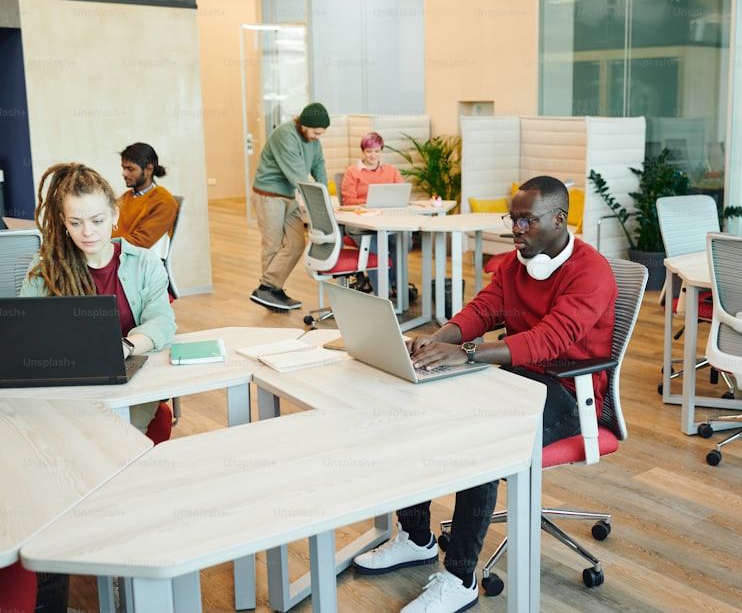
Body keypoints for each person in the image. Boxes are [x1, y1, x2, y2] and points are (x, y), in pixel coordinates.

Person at [352, 176, 617, 613]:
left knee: (478, 438)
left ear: (558, 219)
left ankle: (459, 578)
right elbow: (482, 311)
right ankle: (416, 537)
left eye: (526, 221)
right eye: (513, 220)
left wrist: (467, 353)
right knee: (415, 405)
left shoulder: (591, 272)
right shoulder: (517, 264)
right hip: (513, 378)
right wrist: (439, 340)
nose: (516, 229)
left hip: (570, 393)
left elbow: (548, 341)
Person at [20, 163, 177, 431]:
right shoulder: (45, 268)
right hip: (68, 386)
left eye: (97, 220)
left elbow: (162, 321)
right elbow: (25, 330)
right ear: (63, 221)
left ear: (114, 215)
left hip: (130, 383)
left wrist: (124, 347)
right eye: (75, 222)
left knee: (110, 437)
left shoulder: (144, 263)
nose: (88, 232)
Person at [250, 102, 330, 310]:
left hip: (288, 196)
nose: (317, 136)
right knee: (273, 244)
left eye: (321, 134)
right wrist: (317, 203)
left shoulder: (313, 140)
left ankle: (268, 288)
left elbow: (318, 165)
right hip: (269, 196)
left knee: (297, 244)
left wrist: (326, 197)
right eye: (315, 132)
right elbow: (297, 175)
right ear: (303, 124)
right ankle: (269, 292)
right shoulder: (285, 135)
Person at [340, 131, 407, 295]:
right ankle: (382, 292)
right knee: (375, 244)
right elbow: (348, 201)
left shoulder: (391, 171)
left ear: (381, 151)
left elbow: (401, 195)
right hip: (359, 223)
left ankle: (391, 283)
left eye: (377, 151)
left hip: (387, 221)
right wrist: (369, 205)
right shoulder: (352, 172)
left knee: (404, 241)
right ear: (363, 151)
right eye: (369, 151)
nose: (373, 155)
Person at [116, 142, 179, 260]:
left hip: (138, 263)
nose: (124, 174)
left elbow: (140, 242)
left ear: (149, 169)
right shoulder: (126, 197)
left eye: (130, 169)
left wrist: (105, 248)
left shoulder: (163, 202)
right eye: (123, 168)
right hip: (117, 256)